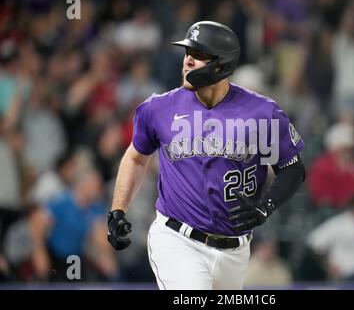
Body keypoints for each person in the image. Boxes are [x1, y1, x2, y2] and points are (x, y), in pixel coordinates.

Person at [107, 21, 306, 290]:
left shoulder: (261, 112)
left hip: (235, 250)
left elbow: (292, 168)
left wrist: (266, 205)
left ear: (222, 64)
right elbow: (136, 158)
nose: (188, 60)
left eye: (198, 55)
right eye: (187, 53)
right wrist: (118, 210)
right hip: (178, 239)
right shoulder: (158, 109)